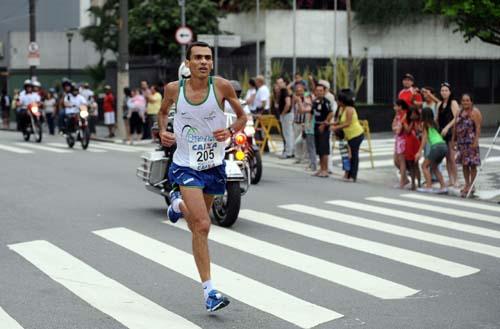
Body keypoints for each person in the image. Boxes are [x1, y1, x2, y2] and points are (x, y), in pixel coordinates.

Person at [158, 42, 247, 312]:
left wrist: (230, 131)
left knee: (198, 225)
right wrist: (164, 131)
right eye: (197, 58)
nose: (203, 62)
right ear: (188, 63)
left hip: (214, 165)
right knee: (204, 225)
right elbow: (162, 112)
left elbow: (242, 117)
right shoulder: (174, 89)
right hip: (185, 165)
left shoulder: (221, 87)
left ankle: (176, 204)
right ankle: (210, 293)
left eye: (207, 58)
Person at [332, 89, 364, 182]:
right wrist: (330, 124)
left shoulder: (349, 109)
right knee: (348, 155)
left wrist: (336, 128)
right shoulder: (343, 109)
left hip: (356, 134)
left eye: (338, 100)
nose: (337, 102)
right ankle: (348, 174)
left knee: (354, 155)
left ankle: (353, 176)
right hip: (349, 135)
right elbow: (340, 120)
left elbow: (348, 123)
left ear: (343, 101)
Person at [453, 93, 482, 197]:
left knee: (472, 165)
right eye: (463, 100)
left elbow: (478, 128)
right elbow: (455, 127)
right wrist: (453, 140)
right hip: (461, 142)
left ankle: (472, 185)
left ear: (471, 101)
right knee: (464, 164)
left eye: (467, 100)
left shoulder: (475, 112)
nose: (465, 102)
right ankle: (467, 183)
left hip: (471, 142)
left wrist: (475, 141)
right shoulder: (459, 112)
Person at [415, 107, 448, 194]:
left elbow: (424, 139)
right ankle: (443, 186)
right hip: (443, 146)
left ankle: (429, 186)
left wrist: (419, 152)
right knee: (434, 166)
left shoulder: (424, 124)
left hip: (436, 147)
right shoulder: (434, 123)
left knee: (424, 166)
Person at [437, 82, 459, 186]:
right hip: (442, 133)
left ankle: (456, 180)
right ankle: (450, 179)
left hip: (451, 132)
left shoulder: (453, 103)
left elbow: (457, 117)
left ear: (450, 92)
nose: (444, 92)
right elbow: (436, 119)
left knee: (452, 157)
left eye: (446, 90)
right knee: (446, 158)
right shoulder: (439, 104)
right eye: (442, 90)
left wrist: (447, 127)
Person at [311, 83, 333, 177]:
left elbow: (331, 113)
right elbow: (312, 113)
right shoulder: (315, 101)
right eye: (317, 90)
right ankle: (321, 169)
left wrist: (324, 124)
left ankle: (325, 170)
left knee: (324, 149)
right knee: (319, 149)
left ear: (324, 91)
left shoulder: (326, 102)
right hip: (316, 126)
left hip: (323, 127)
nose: (319, 92)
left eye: (321, 90)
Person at [292, 82, 311, 164]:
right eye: (297, 91)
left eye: (300, 90)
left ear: (304, 90)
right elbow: (293, 110)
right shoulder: (295, 99)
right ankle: (298, 157)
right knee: (296, 141)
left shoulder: (307, 99)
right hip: (296, 122)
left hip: (304, 123)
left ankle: (305, 158)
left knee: (304, 142)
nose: (299, 92)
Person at [392, 99, 409, 188]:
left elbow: (398, 129)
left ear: (400, 106)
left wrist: (396, 127)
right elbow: (393, 126)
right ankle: (405, 178)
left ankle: (402, 181)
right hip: (397, 139)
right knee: (396, 161)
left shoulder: (405, 114)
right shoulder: (397, 115)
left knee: (401, 160)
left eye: (395, 106)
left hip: (403, 139)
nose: (394, 108)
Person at [404, 106, 422, 190]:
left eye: (415, 114)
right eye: (412, 114)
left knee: (416, 164)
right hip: (409, 144)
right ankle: (413, 184)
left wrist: (416, 122)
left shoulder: (419, 122)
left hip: (416, 144)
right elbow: (407, 131)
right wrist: (412, 121)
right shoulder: (406, 121)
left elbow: (420, 131)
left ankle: (419, 183)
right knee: (411, 164)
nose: (413, 115)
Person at [276, 77, 294, 159]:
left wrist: (283, 113)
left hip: (286, 115)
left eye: (280, 83)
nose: (279, 84)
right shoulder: (282, 92)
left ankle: (289, 152)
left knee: (287, 134)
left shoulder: (285, 91)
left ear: (284, 83)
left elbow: (288, 103)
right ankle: (290, 151)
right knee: (287, 133)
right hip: (286, 114)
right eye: (277, 83)